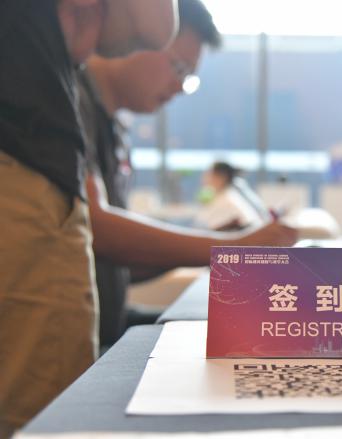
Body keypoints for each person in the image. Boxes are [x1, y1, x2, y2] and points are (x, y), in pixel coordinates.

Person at [0, 0, 178, 433]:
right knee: (39, 415)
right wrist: (229, 249)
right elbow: (157, 27)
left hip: (29, 155)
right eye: (178, 66)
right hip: (25, 159)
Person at [78, 0, 298, 348]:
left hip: (104, 326)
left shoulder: (113, 128)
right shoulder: (72, 103)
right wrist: (229, 247)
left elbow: (113, 261)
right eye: (179, 68)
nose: (180, 87)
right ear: (140, 34)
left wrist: (209, 241)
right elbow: (96, 230)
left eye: (188, 77)